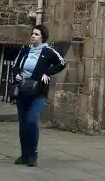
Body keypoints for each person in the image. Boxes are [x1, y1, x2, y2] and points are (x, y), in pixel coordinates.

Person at [12, 24, 65, 167]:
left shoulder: (47, 51)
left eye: (36, 34)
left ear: (43, 37)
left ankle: (32, 155)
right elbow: (15, 65)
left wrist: (47, 73)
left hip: (38, 93)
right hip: (23, 90)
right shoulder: (25, 50)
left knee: (31, 121)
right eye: (32, 33)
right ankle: (24, 155)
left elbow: (61, 63)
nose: (33, 36)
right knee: (23, 124)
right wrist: (17, 74)